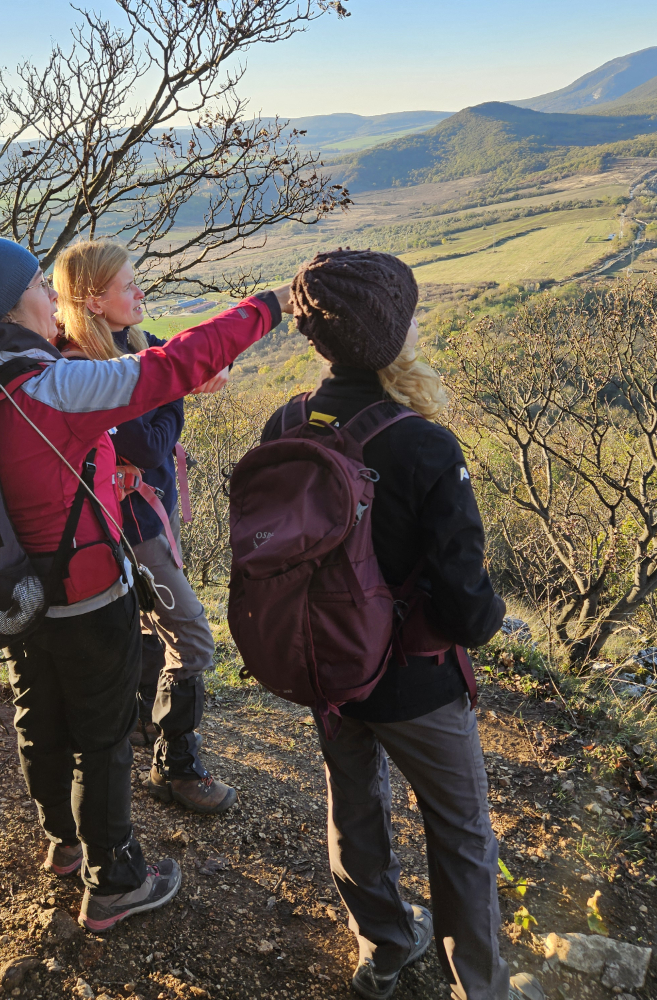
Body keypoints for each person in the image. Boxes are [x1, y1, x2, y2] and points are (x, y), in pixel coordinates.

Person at [0, 233, 290, 932]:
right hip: (85, 591)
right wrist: (270, 305)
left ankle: (63, 844)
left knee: (42, 718)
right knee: (102, 734)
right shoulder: (50, 386)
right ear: (10, 304)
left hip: (13, 593)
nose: (49, 296)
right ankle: (115, 878)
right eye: (37, 285)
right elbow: (172, 366)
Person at [260, 250, 544, 1000]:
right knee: (460, 835)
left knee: (353, 805)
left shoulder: (284, 421)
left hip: (324, 667)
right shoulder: (422, 444)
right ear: (388, 332)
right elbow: (465, 604)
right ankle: (476, 986)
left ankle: (384, 946)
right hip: (415, 683)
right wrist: (488, 619)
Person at [52, 241, 235, 815]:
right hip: (128, 525)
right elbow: (145, 441)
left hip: (141, 515)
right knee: (193, 638)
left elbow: (174, 361)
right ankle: (175, 768)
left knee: (147, 628)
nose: (140, 293)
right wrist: (176, 391)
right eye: (128, 286)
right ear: (92, 301)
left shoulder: (131, 343)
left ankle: (142, 725)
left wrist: (195, 372)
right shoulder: (82, 366)